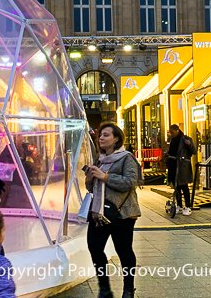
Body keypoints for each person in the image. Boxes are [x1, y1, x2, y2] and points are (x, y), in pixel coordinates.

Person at [86, 122, 142, 298]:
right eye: (100, 135)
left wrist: (105, 177)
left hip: (122, 213)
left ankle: (128, 289)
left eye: (106, 135)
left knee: (124, 250)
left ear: (116, 138)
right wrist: (90, 179)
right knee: (94, 247)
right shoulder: (100, 159)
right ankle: (104, 288)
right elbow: (91, 188)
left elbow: (130, 182)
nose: (101, 138)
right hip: (100, 211)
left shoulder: (127, 158)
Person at [166, 124, 196, 215]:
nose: (171, 134)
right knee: (176, 186)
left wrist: (189, 144)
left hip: (182, 166)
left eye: (172, 132)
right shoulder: (172, 140)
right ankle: (179, 205)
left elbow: (194, 151)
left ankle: (188, 206)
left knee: (184, 186)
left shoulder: (185, 139)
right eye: (170, 132)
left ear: (177, 131)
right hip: (173, 165)